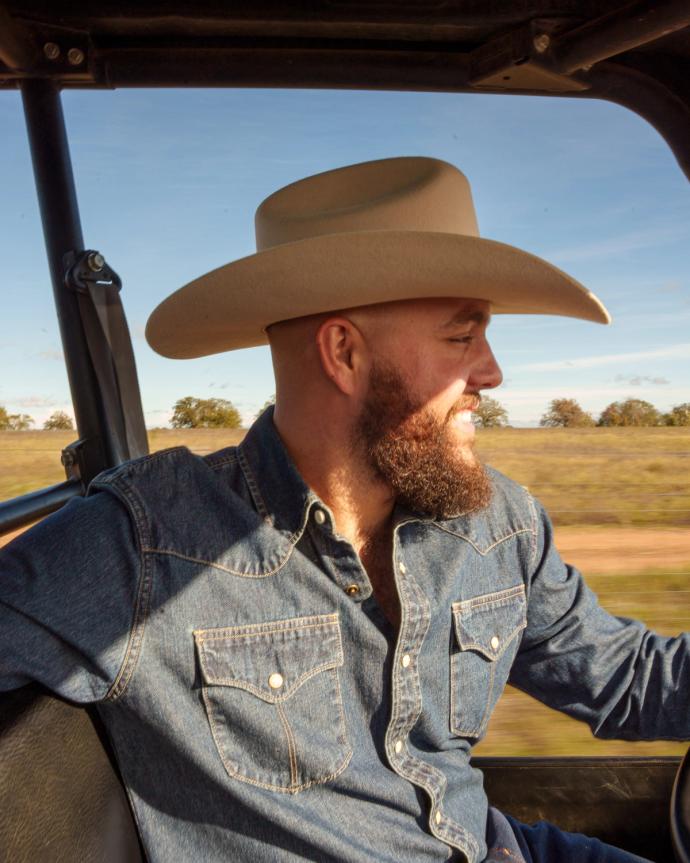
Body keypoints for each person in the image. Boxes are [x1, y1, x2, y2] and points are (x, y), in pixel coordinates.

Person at [1, 157, 687, 863]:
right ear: (343, 352)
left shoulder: (498, 521)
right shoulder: (151, 546)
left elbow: (626, 679)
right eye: (462, 336)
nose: (491, 372)